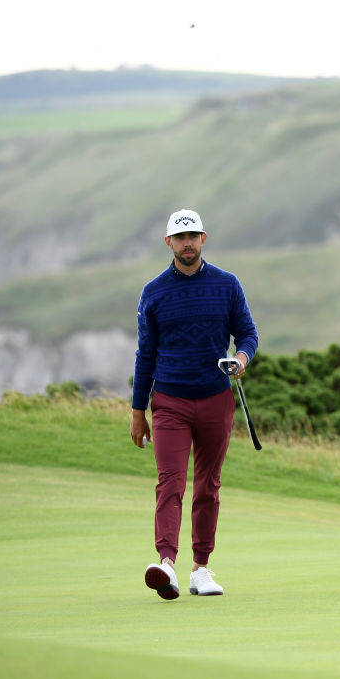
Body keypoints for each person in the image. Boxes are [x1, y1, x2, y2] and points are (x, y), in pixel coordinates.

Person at [129, 208, 258, 600]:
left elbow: (248, 335)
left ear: (204, 239)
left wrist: (240, 361)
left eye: (194, 236)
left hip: (216, 399)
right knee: (170, 482)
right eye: (180, 238)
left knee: (208, 486)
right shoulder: (154, 292)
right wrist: (138, 412)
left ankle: (201, 568)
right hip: (169, 402)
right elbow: (145, 355)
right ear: (168, 243)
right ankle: (166, 563)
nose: (188, 243)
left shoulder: (226, 284)